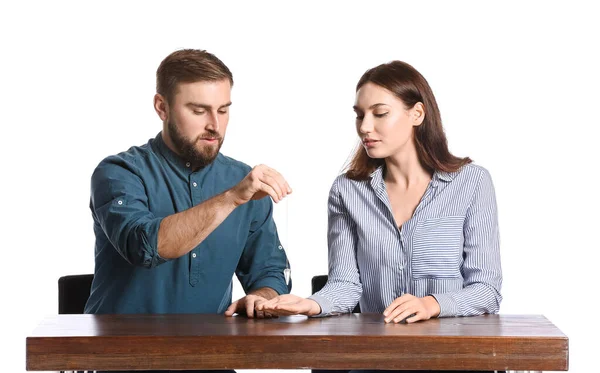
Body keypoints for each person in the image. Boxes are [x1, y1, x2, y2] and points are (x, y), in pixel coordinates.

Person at [257, 60, 502, 327]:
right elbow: (345, 284)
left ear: (417, 114)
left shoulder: (472, 182)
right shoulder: (347, 191)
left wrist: (431, 304)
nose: (364, 126)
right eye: (360, 115)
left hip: (449, 359)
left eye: (380, 113)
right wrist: (312, 304)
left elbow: (486, 290)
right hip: (376, 356)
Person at [85, 49, 293, 325]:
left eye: (223, 110)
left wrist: (262, 295)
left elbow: (270, 271)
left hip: (207, 356)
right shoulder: (118, 173)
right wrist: (231, 198)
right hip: (120, 357)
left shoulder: (243, 181)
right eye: (199, 111)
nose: (215, 125)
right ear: (162, 107)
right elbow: (144, 246)